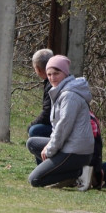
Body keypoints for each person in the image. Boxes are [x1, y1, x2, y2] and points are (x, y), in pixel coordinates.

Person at [27, 55, 94, 188]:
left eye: (56, 73)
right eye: (49, 74)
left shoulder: (69, 96)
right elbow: (57, 126)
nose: (52, 78)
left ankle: (79, 174)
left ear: (65, 73)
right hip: (67, 146)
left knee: (34, 180)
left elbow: (63, 127)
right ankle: (62, 172)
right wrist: (50, 146)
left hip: (75, 151)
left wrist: (50, 149)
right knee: (32, 143)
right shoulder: (61, 91)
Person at [27, 48, 54, 140]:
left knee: (34, 130)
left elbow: (47, 114)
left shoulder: (52, 84)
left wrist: (32, 125)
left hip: (64, 127)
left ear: (38, 69)